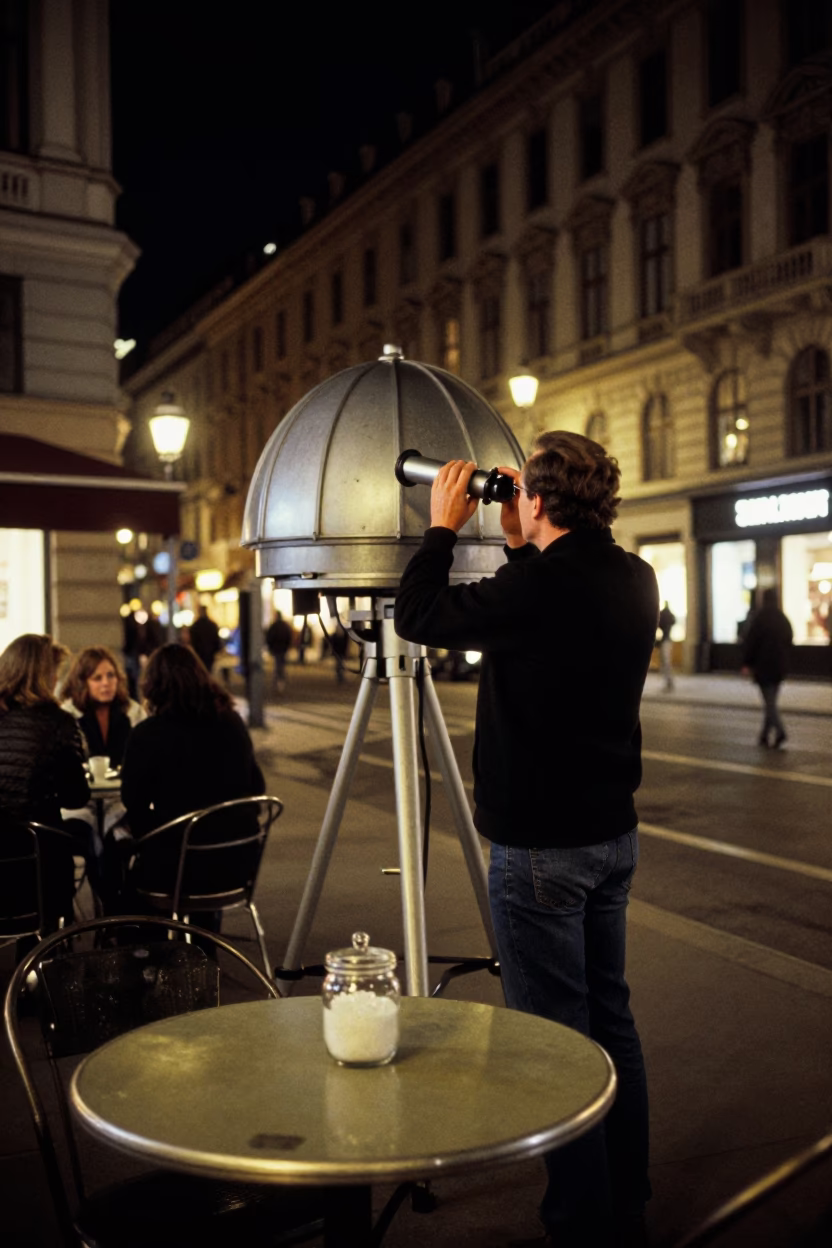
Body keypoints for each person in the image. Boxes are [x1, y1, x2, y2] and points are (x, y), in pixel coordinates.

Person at [394, 432, 658, 1248]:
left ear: (537, 498)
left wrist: (442, 526)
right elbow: (539, 614)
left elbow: (418, 615)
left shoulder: (542, 588)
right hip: (610, 837)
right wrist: (516, 544)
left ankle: (581, 1222)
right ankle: (626, 1193)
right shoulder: (634, 575)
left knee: (555, 1043)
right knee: (610, 1020)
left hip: (540, 847)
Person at [119, 644, 265, 921]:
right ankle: (204, 946)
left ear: (152, 685)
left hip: (179, 872)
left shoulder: (148, 734)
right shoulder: (232, 723)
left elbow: (134, 803)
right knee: (201, 843)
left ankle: (150, 951)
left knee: (124, 858)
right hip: (237, 863)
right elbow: (257, 787)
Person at [0, 633, 90, 932]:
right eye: (53, 672)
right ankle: (41, 965)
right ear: (41, 675)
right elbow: (77, 796)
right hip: (37, 873)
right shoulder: (58, 723)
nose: (56, 679)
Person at [58, 647, 146, 893]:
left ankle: (114, 913)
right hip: (80, 805)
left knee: (117, 841)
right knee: (90, 841)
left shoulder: (131, 711)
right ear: (82, 682)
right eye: (97, 678)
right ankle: (110, 912)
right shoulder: (68, 714)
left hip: (119, 801)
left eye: (111, 676)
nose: (106, 683)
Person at [741, 587, 793, 748]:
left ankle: (780, 731)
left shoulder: (760, 618)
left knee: (769, 703)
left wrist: (747, 663)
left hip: (763, 666)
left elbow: (751, 641)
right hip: (779, 666)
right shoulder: (782, 618)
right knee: (770, 701)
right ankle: (763, 736)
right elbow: (789, 639)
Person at [188, 605, 223, 673]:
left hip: (200, 653)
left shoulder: (196, 626)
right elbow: (216, 640)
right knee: (208, 670)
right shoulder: (212, 625)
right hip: (209, 652)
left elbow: (193, 640)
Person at [265, 610, 292, 691]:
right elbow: (288, 636)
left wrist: (270, 647)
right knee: (281, 664)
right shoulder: (284, 625)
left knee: (278, 664)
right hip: (282, 648)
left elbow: (269, 637)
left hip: (277, 648)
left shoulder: (274, 626)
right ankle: (280, 680)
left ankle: (278, 679)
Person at [657, 601, 676, 691]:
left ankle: (669, 682)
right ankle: (669, 682)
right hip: (666, 640)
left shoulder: (666, 616)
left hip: (666, 640)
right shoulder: (669, 616)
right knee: (665, 663)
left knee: (666, 662)